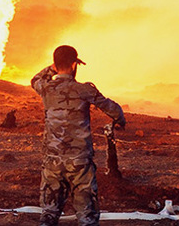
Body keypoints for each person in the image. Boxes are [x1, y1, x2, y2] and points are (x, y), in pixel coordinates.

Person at [30, 44, 126, 226]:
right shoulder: (85, 90)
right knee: (86, 216)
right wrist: (120, 121)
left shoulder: (46, 88)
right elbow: (113, 110)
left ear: (55, 65)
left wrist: (53, 68)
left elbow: (35, 79)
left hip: (53, 161)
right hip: (80, 163)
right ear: (74, 65)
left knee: (49, 214)